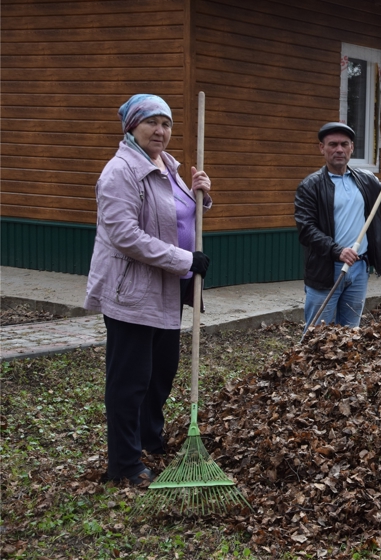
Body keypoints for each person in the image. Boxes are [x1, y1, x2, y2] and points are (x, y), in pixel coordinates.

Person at [85, 94, 212, 487]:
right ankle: (123, 464)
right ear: (131, 127)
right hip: (133, 292)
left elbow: (175, 215)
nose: (161, 131)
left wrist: (201, 197)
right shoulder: (120, 171)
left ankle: (149, 441)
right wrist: (185, 260)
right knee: (131, 379)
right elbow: (125, 235)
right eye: (152, 122)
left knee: (161, 373)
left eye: (167, 123)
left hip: (168, 288)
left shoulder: (168, 164)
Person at [294, 122, 381, 330]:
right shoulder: (310, 186)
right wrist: (337, 251)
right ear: (322, 148)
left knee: (350, 333)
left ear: (351, 148)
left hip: (359, 268)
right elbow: (306, 230)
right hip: (326, 271)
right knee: (318, 334)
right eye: (333, 144)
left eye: (344, 144)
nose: (339, 149)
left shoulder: (365, 180)